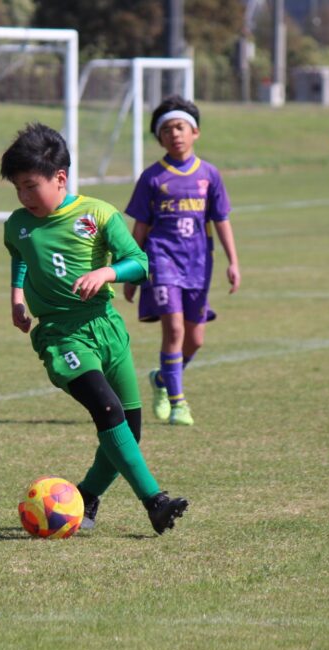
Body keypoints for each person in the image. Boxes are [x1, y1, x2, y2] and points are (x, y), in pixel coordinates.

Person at [1, 122, 188, 535]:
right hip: (61, 334)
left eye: (31, 186)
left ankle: (85, 498)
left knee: (129, 428)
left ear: (60, 178)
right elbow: (20, 254)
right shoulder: (17, 224)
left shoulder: (98, 214)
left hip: (106, 328)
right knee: (106, 409)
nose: (24, 197)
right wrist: (16, 297)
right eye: (18, 188)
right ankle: (155, 502)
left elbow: (140, 263)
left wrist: (106, 272)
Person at [123, 96, 241, 427]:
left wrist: (233, 262)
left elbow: (221, 220)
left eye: (180, 127)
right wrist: (131, 273)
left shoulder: (209, 175)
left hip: (199, 264)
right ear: (159, 139)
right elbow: (140, 228)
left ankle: (162, 379)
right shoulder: (152, 177)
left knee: (195, 339)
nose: (174, 134)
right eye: (166, 130)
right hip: (162, 260)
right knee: (173, 329)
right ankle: (178, 403)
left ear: (195, 132)